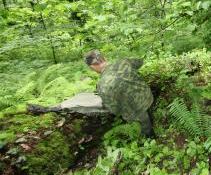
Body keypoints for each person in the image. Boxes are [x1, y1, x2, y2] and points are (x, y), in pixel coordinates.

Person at [27, 50, 155, 137]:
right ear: (104, 58)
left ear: (92, 67)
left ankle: (149, 136)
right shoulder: (123, 62)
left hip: (135, 112)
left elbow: (114, 110)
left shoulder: (102, 85)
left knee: (146, 131)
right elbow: (140, 62)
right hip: (148, 97)